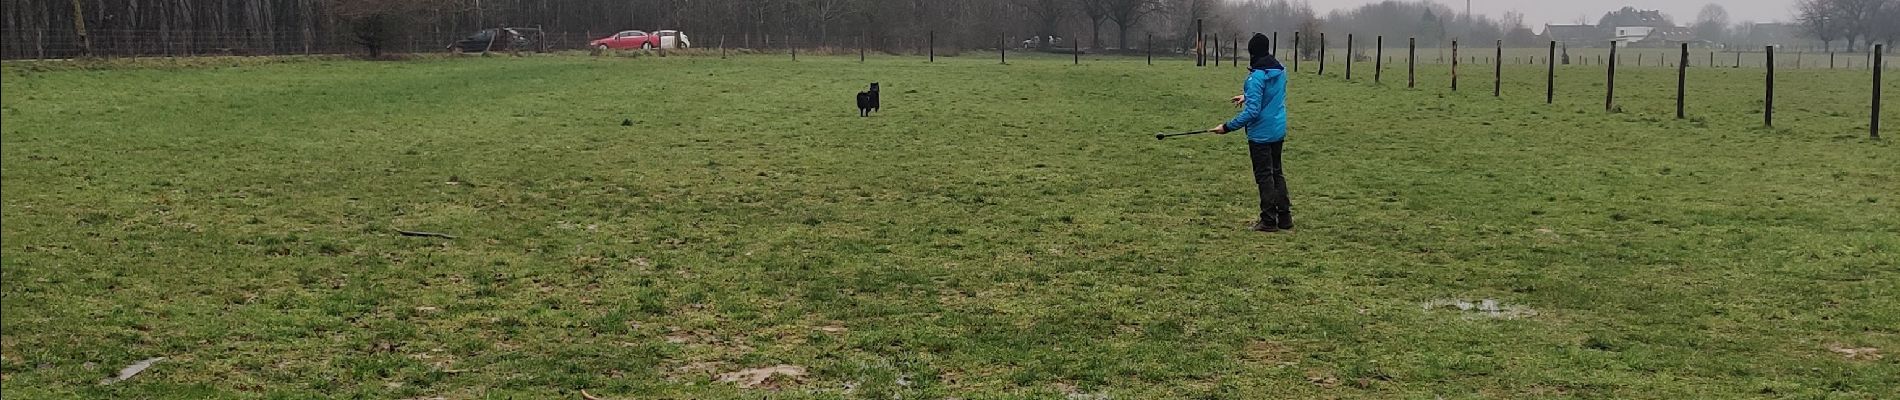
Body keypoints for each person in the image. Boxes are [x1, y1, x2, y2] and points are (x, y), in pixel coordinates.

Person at [1212, 33, 1292, 232]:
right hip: (1277, 128)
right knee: (1277, 173)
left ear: (1252, 52)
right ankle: (1285, 218)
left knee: (1265, 176)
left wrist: (1227, 126)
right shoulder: (1280, 70)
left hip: (1261, 134)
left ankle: (1268, 220)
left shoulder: (1256, 77)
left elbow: (1253, 112)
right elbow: (1269, 95)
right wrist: (1247, 96)